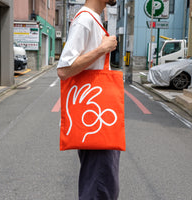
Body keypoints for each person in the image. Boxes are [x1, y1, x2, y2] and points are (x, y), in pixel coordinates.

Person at [57, 0, 120, 199]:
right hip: (95, 117)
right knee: (100, 186)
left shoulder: (93, 19)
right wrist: (102, 49)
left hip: (98, 116)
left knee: (103, 183)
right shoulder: (85, 20)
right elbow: (64, 69)